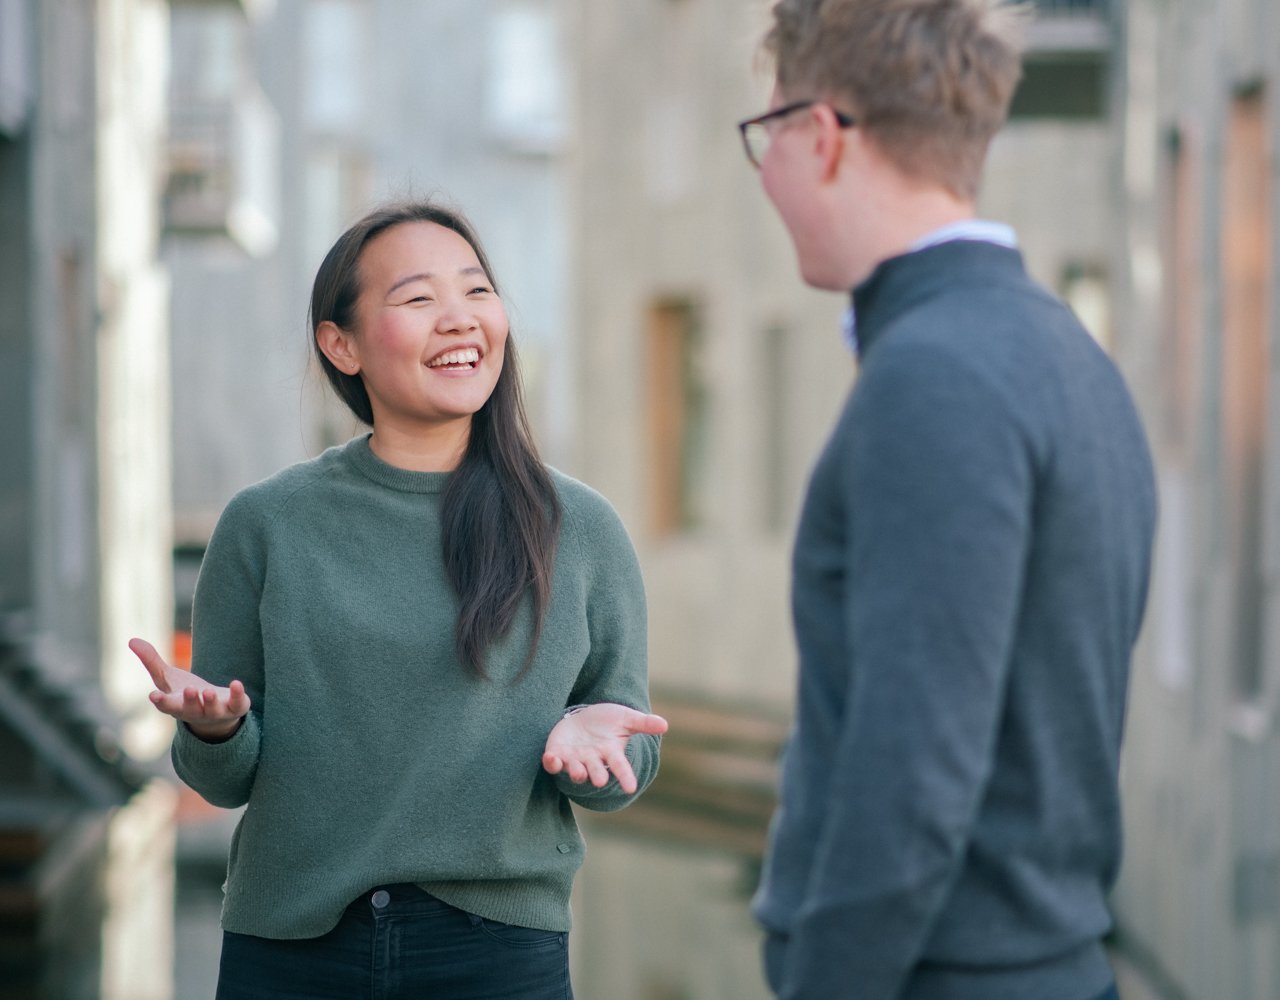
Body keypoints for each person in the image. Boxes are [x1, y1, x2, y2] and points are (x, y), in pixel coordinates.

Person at [130, 200, 667, 1000]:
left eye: (476, 292)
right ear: (340, 345)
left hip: (496, 954)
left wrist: (597, 749)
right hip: (290, 949)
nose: (459, 320)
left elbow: (631, 755)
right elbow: (223, 781)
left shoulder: (577, 527)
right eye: (419, 300)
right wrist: (218, 730)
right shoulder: (266, 524)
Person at [737, 2, 1157, 999]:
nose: (763, 174)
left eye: (766, 137)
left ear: (822, 135)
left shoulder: (933, 376)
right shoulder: (1066, 355)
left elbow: (909, 780)